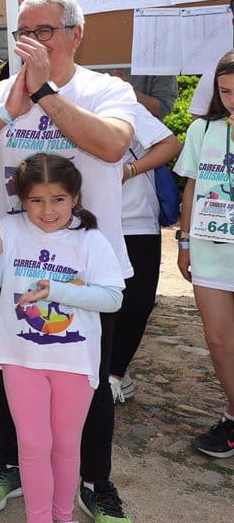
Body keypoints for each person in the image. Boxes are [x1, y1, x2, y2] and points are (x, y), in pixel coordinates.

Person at [0, 0, 139, 522]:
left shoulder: (106, 89)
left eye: (44, 30)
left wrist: (46, 93)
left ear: (76, 35)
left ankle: (94, 480)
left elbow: (113, 146)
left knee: (90, 378)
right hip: (15, 261)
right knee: (16, 367)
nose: (31, 41)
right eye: (23, 32)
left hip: (87, 265)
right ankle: (10, 463)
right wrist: (9, 110)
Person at [0, 154, 125, 523]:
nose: (47, 210)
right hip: (20, 359)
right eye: (36, 200)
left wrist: (57, 291)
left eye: (58, 199)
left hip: (75, 362)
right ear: (23, 200)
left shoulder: (91, 239)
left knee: (67, 446)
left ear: (75, 198)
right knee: (33, 445)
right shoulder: (9, 230)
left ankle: (63, 516)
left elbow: (112, 298)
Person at [174, 49, 234, 459]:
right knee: (218, 340)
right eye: (225, 91)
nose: (231, 100)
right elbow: (191, 189)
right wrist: (183, 242)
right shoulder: (202, 129)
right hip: (210, 249)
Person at [109, 104, 181, 403]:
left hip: (136, 219)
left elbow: (171, 144)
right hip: (84, 221)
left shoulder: (122, 103)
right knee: (90, 299)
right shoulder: (52, 104)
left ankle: (114, 374)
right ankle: (101, 371)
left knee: (136, 302)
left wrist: (129, 171)